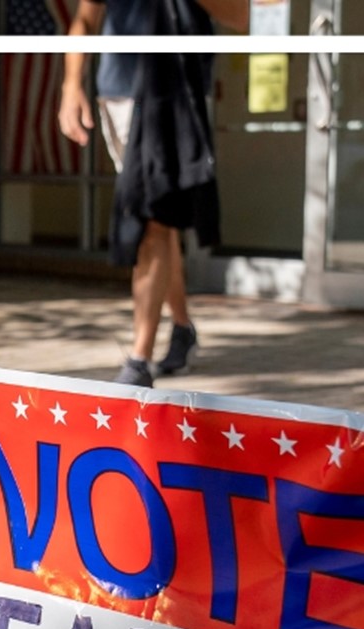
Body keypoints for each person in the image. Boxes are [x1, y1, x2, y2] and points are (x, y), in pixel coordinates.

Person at [58, 0, 244, 388]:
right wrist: (71, 85)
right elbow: (85, 19)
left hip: (174, 95)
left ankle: (139, 359)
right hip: (118, 96)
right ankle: (181, 328)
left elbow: (242, 15)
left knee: (150, 220)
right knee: (161, 220)